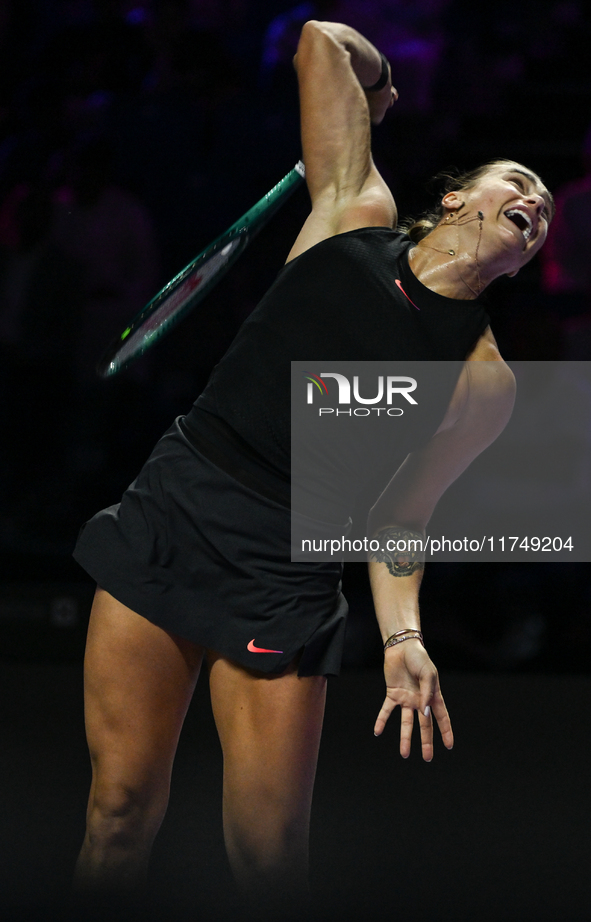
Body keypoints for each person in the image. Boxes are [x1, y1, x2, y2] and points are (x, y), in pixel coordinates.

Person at [71, 19, 553, 922]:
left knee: (267, 862)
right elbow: (318, 39)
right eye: (519, 181)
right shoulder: (348, 211)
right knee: (118, 813)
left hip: (281, 569)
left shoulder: (479, 380)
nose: (535, 200)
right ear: (453, 199)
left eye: (544, 212)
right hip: (172, 510)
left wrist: (404, 638)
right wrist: (376, 79)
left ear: (526, 259)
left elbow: (400, 518)